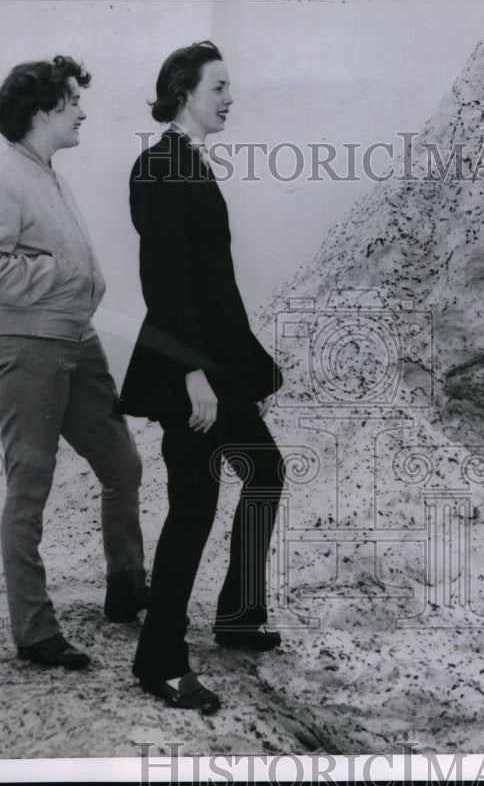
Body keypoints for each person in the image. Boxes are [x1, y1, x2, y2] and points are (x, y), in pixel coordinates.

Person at [0, 56, 149, 671]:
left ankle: (127, 588)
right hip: (27, 349)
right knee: (30, 490)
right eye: (73, 102)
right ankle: (35, 631)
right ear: (43, 112)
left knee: (122, 463)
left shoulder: (50, 178)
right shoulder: (2, 179)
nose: (83, 112)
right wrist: (61, 272)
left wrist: (72, 284)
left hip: (78, 341)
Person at [118, 42, 285, 713]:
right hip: (190, 374)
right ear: (183, 91)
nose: (229, 98)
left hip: (217, 370)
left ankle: (239, 615)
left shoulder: (188, 161)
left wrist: (248, 371)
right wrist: (193, 375)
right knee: (195, 505)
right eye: (218, 87)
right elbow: (164, 283)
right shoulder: (159, 165)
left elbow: (214, 286)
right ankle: (159, 658)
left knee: (264, 471)